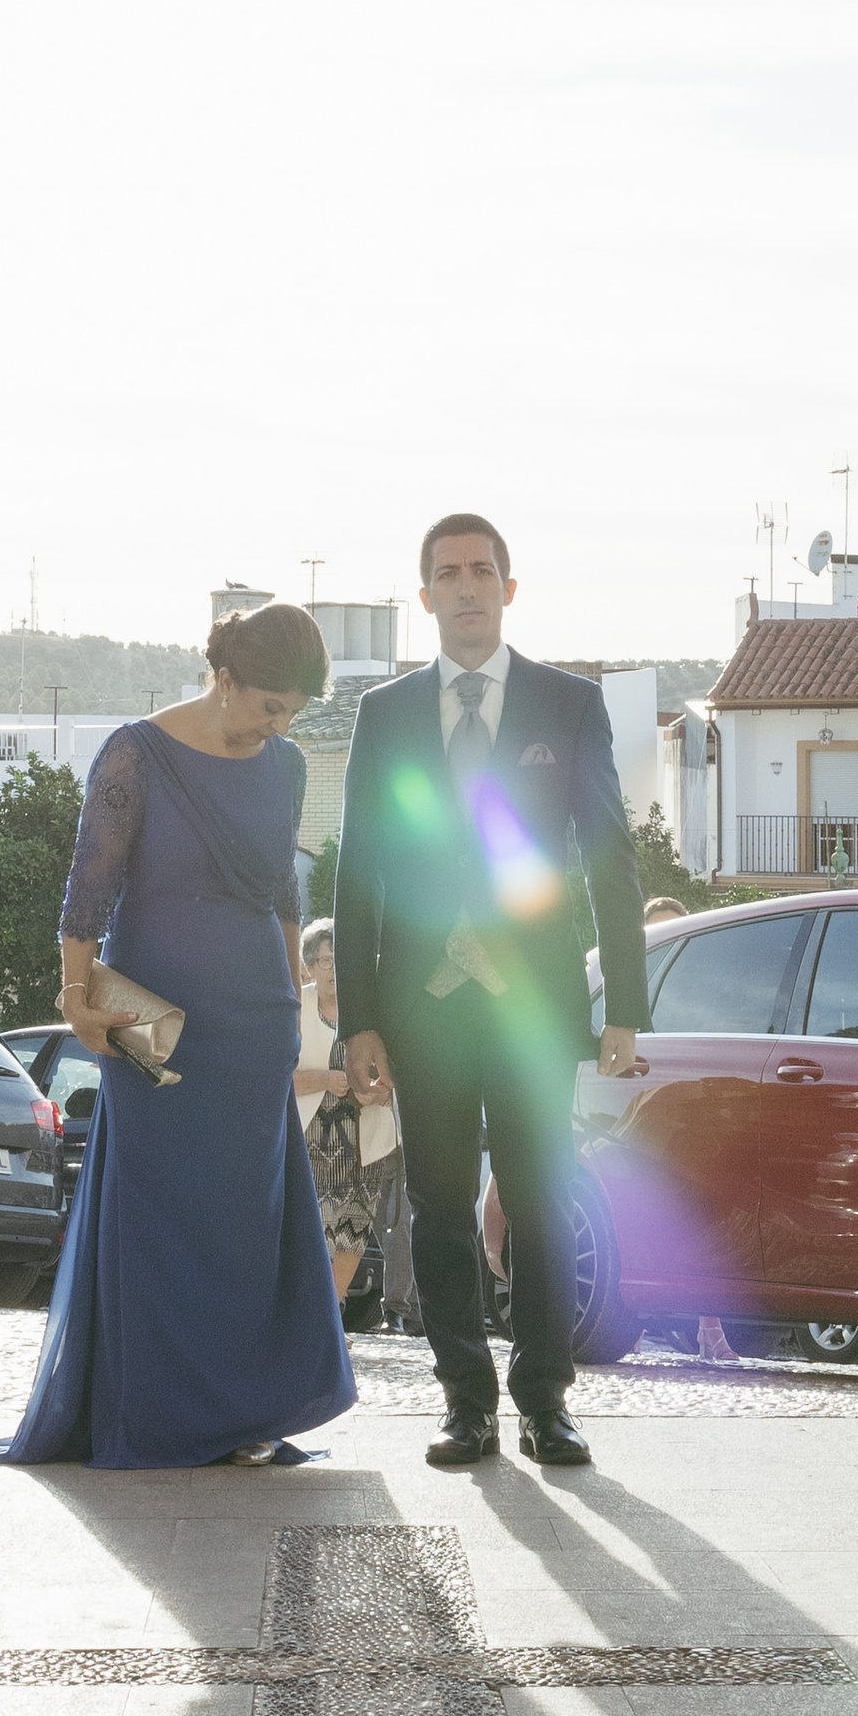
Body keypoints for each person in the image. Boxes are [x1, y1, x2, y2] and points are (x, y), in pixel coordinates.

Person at [0, 599, 354, 1468]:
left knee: (246, 1222)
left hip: (252, 1023)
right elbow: (87, 889)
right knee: (161, 1214)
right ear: (226, 675)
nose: (278, 727)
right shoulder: (135, 751)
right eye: (269, 705)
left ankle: (241, 1413)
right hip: (151, 1022)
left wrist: (290, 999)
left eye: (293, 713)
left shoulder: (284, 765)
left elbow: (284, 890)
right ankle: (160, 1412)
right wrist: (75, 995)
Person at [337, 513, 648, 1472]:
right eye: (447, 573)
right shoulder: (384, 714)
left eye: (482, 571)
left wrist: (625, 1003)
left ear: (509, 590)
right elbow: (357, 876)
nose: (466, 587)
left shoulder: (568, 705)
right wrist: (359, 1020)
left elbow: (607, 855)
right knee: (435, 1206)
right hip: (419, 1008)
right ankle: (464, 1403)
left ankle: (547, 1402)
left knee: (539, 1200)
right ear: (423, 595)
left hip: (532, 1007)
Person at [297, 920, 394, 1305]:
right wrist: (325, 1078)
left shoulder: (372, 1011)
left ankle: (332, 1313)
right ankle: (313, 1314)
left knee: (354, 1226)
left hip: (362, 1138)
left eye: (339, 961)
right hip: (309, 1137)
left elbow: (395, 1074)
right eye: (324, 961)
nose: (332, 970)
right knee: (314, 1228)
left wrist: (379, 1094)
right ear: (308, 966)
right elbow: (273, 1076)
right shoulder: (296, 1008)